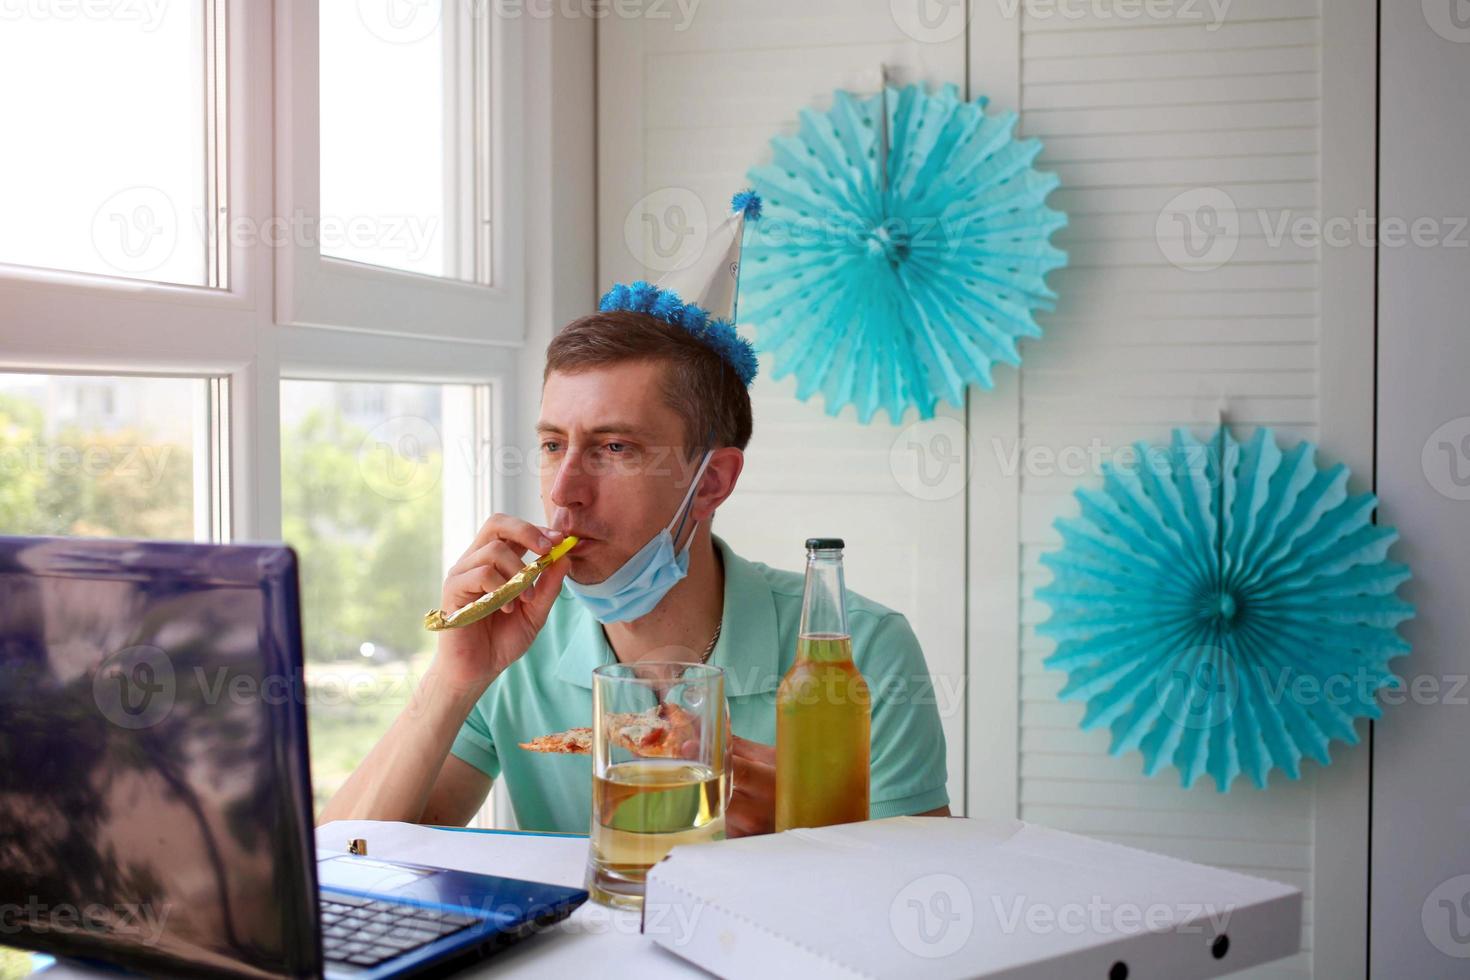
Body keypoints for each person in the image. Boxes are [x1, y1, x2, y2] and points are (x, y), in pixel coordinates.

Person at [322, 194, 950, 834]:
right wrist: (452, 681)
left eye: (614, 448)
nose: (565, 491)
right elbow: (347, 862)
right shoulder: (514, 650)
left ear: (711, 482)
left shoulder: (860, 655)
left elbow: (915, 898)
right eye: (551, 445)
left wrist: (799, 832)